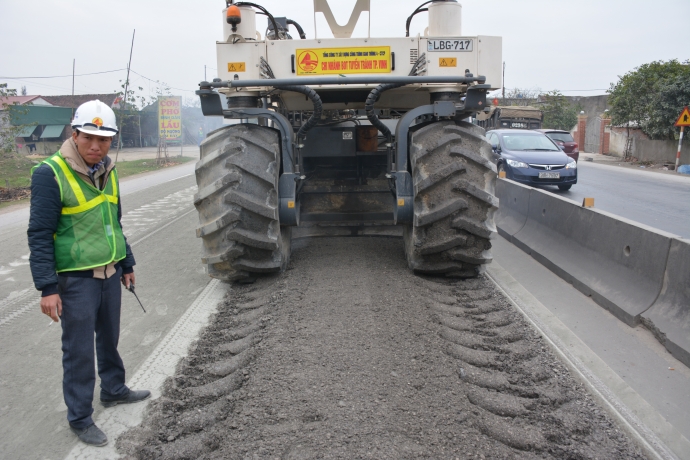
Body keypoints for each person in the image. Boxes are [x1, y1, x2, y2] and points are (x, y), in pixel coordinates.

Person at [27, 100, 150, 447]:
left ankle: (113, 389)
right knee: (79, 350)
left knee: (109, 339)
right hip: (76, 280)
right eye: (89, 138)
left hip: (110, 274)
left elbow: (114, 222)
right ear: (74, 133)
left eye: (105, 140)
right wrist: (47, 287)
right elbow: (39, 234)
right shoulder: (50, 173)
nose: (97, 146)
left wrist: (126, 264)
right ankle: (80, 417)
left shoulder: (108, 170)